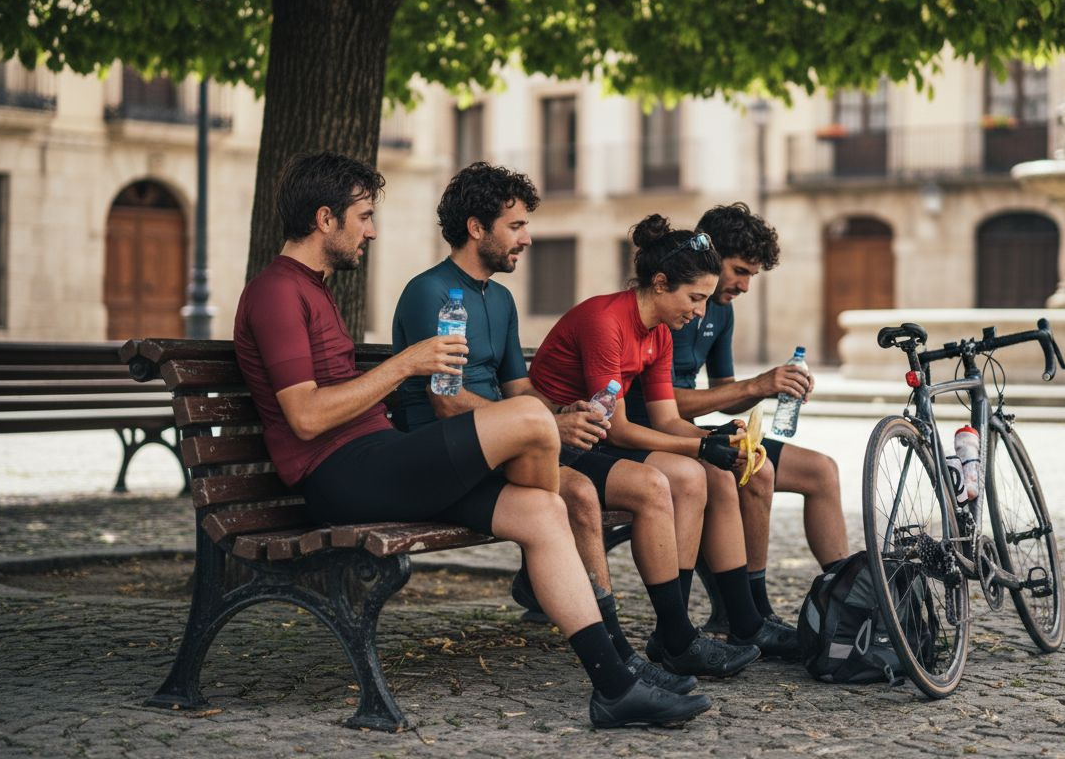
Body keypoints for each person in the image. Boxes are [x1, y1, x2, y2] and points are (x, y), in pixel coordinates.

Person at [232, 151, 709, 728]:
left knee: (540, 510)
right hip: (337, 473)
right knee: (536, 427)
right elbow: (305, 418)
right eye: (363, 217)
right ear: (325, 217)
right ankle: (585, 604)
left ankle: (615, 686)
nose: (373, 230)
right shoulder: (276, 291)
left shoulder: (314, 287)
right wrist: (407, 363)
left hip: (379, 458)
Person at [394, 163, 758, 682]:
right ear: (476, 228)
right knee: (583, 496)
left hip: (508, 439)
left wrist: (561, 414)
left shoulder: (498, 297)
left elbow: (521, 391)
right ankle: (618, 657)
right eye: (516, 226)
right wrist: (547, 426)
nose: (528, 237)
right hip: (444, 449)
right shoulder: (431, 293)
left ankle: (673, 639)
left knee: (655, 486)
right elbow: (446, 404)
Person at [528, 214, 800, 667]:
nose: (699, 311)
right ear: (659, 284)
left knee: (704, 473)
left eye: (705, 299)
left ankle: (691, 631)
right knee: (684, 474)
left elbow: (667, 419)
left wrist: (716, 438)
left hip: (595, 437)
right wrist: (699, 446)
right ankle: (677, 635)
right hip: (559, 441)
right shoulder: (606, 321)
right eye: (694, 298)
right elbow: (615, 428)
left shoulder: (659, 332)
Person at [624, 203, 852, 630]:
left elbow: (722, 395)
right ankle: (748, 609)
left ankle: (850, 603)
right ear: (711, 257)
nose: (746, 286)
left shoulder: (721, 312)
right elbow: (662, 404)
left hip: (693, 432)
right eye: (741, 271)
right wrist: (753, 386)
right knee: (756, 471)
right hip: (653, 434)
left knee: (822, 471)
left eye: (753, 275)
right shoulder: (669, 303)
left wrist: (775, 384)